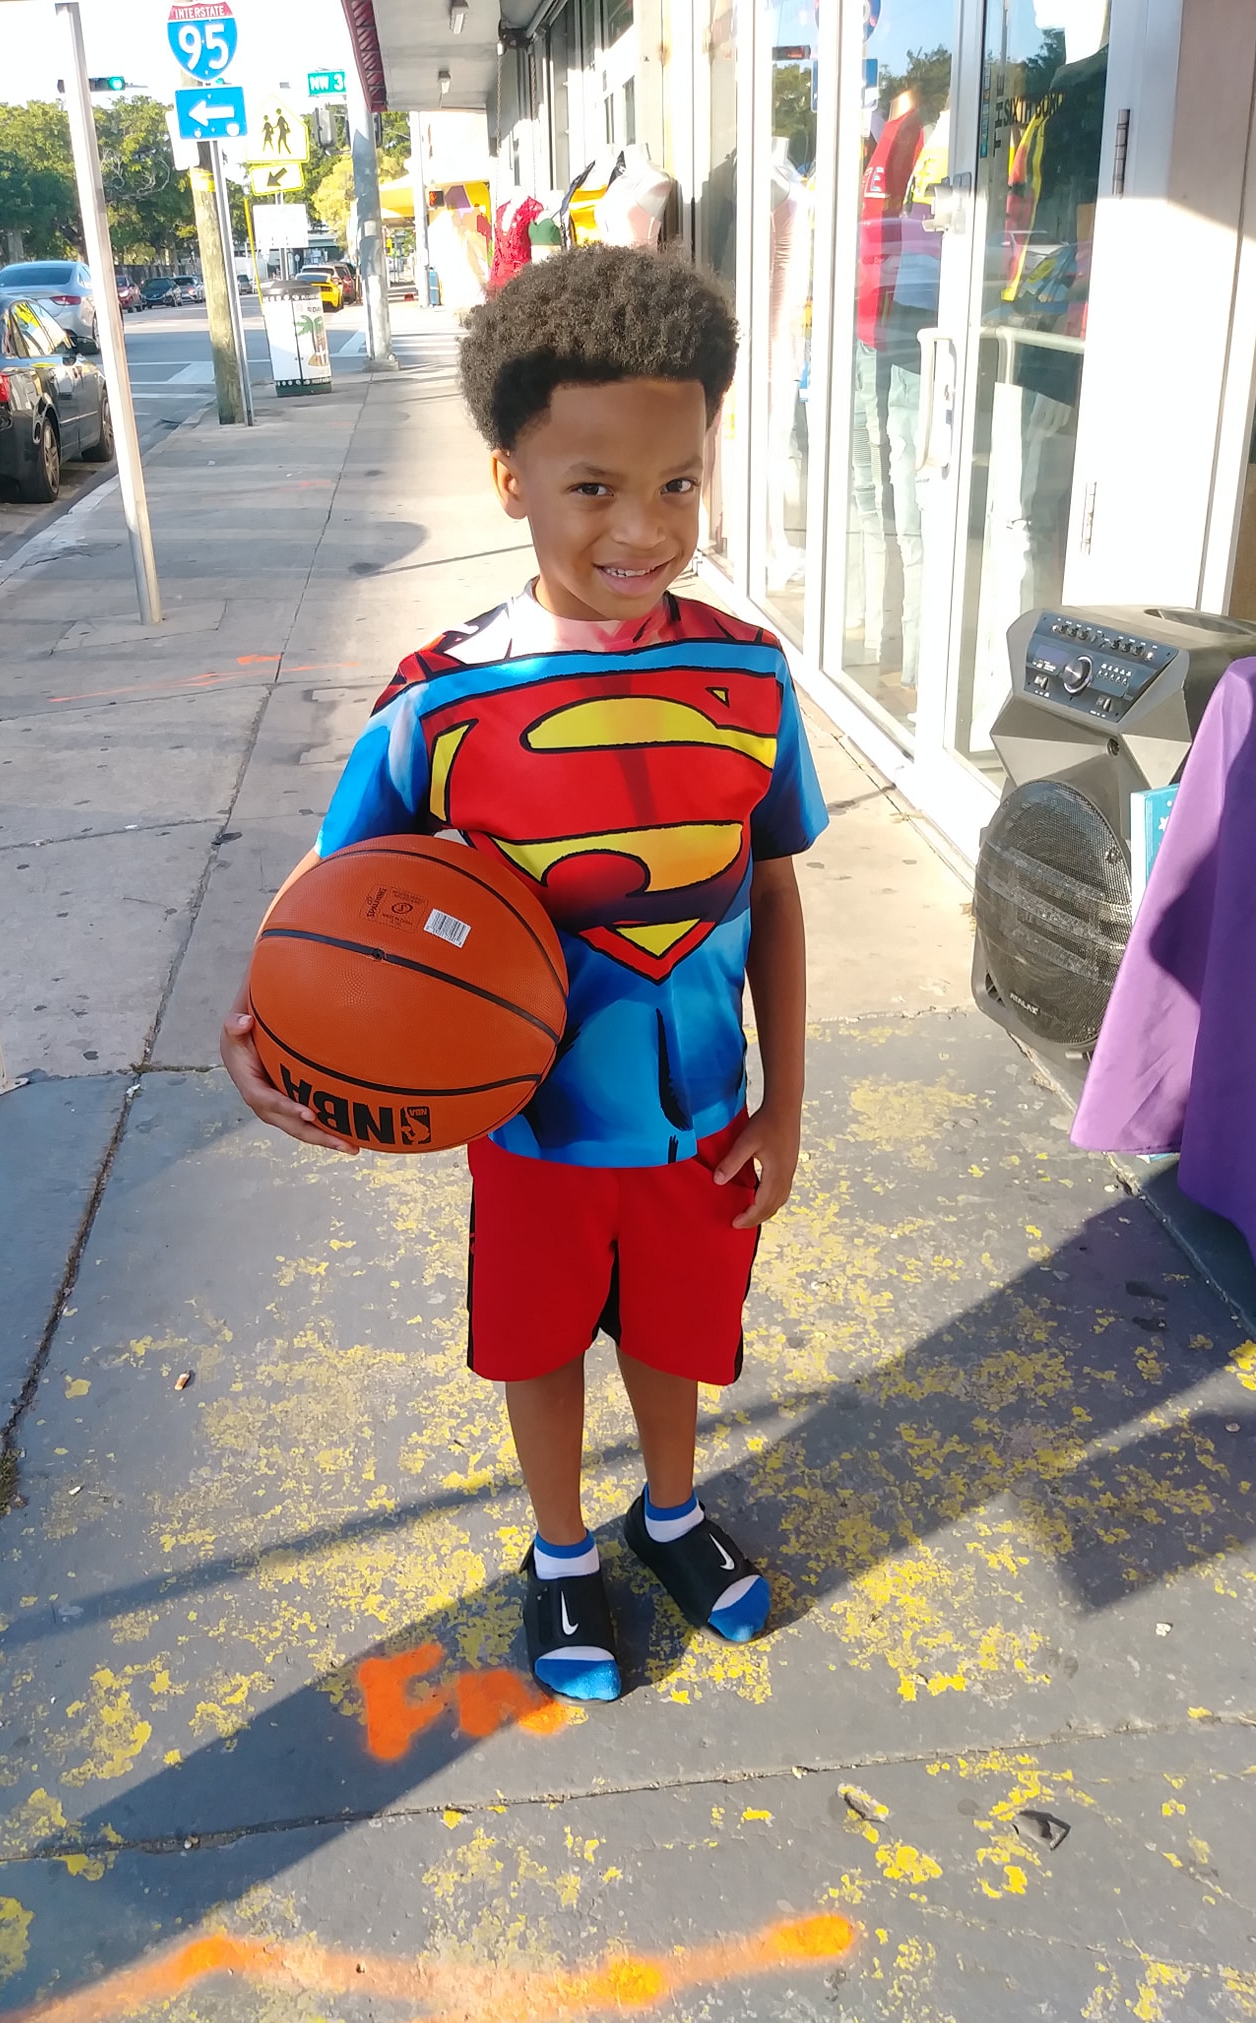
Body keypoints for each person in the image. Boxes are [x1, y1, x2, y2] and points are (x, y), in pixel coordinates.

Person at [220, 244, 828, 1703]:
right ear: (511, 481)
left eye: (678, 483)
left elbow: (773, 885)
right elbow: (336, 898)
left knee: (677, 1334)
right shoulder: (443, 700)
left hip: (700, 1117)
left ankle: (667, 1516)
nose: (643, 526)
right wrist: (261, 1030)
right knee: (540, 1344)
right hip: (532, 1127)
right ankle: (561, 1552)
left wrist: (789, 1102)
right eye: (593, 487)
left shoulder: (751, 679)